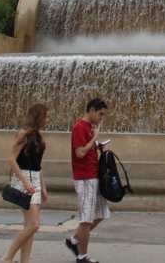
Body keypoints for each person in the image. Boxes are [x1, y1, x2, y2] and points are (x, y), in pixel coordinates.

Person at [1, 103, 49, 263]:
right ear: (38, 117)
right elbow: (11, 159)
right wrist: (25, 181)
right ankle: (7, 257)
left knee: (29, 226)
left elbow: (38, 165)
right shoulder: (24, 134)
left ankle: (25, 261)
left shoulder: (38, 135)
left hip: (34, 181)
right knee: (33, 225)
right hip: (24, 181)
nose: (47, 120)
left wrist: (43, 187)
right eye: (46, 116)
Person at [65, 98, 110, 263]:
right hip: (85, 178)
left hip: (93, 175)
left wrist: (97, 146)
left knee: (101, 213)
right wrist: (95, 137)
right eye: (100, 114)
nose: (101, 118)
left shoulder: (90, 127)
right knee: (86, 218)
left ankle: (74, 240)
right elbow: (80, 153)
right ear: (92, 110)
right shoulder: (79, 127)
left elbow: (87, 149)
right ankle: (82, 256)